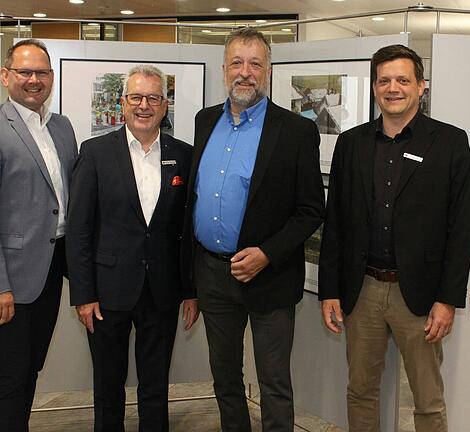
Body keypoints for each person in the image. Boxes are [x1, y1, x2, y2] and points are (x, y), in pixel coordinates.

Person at [318, 44, 470, 432]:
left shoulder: (450, 143)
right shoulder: (351, 143)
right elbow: (335, 220)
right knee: (360, 391)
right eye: (384, 80)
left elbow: (461, 228)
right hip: (363, 290)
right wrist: (329, 290)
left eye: (403, 80)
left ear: (422, 86)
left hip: (419, 296)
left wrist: (448, 300)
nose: (393, 88)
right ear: (374, 87)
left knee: (427, 399)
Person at [182, 28, 324, 431]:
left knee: (274, 383)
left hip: (270, 276)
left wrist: (266, 253)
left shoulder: (297, 131)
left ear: (269, 71)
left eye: (255, 64)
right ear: (224, 69)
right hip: (212, 274)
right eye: (237, 63)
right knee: (225, 379)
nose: (245, 72)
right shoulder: (205, 120)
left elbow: (312, 209)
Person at [66, 65, 199, 432]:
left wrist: (190, 290)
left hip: (163, 291)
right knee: (108, 388)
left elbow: (185, 231)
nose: (144, 105)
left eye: (153, 97)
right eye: (136, 97)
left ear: (164, 104)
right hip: (107, 293)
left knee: (155, 387)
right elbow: (79, 230)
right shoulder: (94, 152)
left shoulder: (183, 155)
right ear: (122, 104)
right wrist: (83, 294)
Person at [0, 39, 77, 431]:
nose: (33, 80)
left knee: (29, 370)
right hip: (4, 279)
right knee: (8, 377)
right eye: (24, 72)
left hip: (47, 270)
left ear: (52, 78)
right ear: (6, 76)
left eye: (41, 72)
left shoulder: (61, 127)